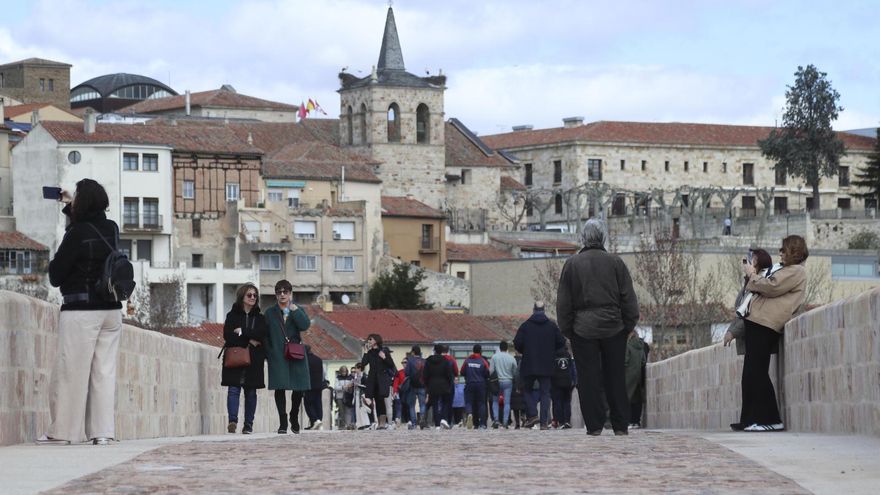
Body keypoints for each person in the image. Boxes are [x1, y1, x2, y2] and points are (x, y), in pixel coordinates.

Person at [39, 179, 123, 446]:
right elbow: (90, 229)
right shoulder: (112, 229)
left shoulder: (76, 233)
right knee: (104, 373)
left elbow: (56, 275)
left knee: (71, 373)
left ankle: (63, 433)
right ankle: (102, 433)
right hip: (111, 311)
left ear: (81, 203)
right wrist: (70, 206)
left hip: (81, 310)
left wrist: (70, 212)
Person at [557, 218, 639, 436]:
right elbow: (628, 298)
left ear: (583, 238)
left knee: (588, 378)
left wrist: (568, 330)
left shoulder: (572, 265)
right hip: (613, 327)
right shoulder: (616, 263)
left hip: (582, 329)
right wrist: (627, 325)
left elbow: (564, 302)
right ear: (603, 237)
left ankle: (594, 426)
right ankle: (620, 425)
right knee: (616, 377)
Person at [736, 235, 808, 432]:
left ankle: (770, 419)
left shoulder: (796, 271)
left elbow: (771, 287)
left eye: (784, 250)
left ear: (794, 251)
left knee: (758, 373)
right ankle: (750, 419)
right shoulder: (784, 269)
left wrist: (752, 274)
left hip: (766, 324)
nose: (780, 253)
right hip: (757, 321)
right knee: (750, 374)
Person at [264, 279, 311, 434]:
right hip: (278, 354)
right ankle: (283, 421)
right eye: (279, 292)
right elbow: (265, 334)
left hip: (296, 353)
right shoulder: (270, 312)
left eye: (285, 292)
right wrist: (269, 351)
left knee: (299, 387)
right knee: (280, 387)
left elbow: (305, 325)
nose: (282, 295)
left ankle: (294, 415)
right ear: (276, 295)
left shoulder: (297, 309)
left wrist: (295, 310)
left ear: (290, 294)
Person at [221, 283, 267, 435]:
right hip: (235, 357)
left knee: (251, 392)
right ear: (242, 297)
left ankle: (248, 425)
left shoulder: (260, 318)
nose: (253, 298)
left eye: (255, 295)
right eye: (249, 295)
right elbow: (228, 335)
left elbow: (262, 335)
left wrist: (242, 332)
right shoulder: (232, 316)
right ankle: (232, 421)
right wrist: (249, 339)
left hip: (254, 360)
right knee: (233, 389)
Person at [514, 301, 566, 430]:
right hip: (547, 364)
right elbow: (561, 342)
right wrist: (552, 350)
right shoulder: (552, 326)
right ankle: (544, 423)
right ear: (544, 310)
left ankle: (532, 414)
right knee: (545, 393)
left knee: (526, 390)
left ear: (533, 310)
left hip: (529, 363)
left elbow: (517, 343)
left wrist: (524, 351)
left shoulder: (525, 326)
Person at [724, 249, 774, 356]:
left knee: (756, 372)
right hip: (749, 343)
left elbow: (753, 315)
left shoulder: (761, 285)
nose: (746, 264)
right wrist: (730, 330)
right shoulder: (748, 286)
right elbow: (740, 313)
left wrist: (733, 332)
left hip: (758, 342)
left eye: (752, 260)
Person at [359, 334, 397, 429]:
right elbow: (363, 364)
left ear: (376, 340)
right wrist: (366, 352)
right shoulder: (370, 352)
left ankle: (382, 423)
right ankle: (377, 422)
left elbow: (391, 364)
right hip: (372, 379)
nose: (369, 341)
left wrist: (384, 357)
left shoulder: (383, 351)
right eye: (368, 340)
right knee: (373, 400)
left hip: (381, 379)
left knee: (381, 400)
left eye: (370, 339)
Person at [423, 344, 454, 429]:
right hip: (444, 384)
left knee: (435, 404)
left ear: (434, 351)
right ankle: (443, 418)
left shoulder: (428, 361)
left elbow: (425, 375)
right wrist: (449, 384)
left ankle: (437, 425)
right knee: (445, 402)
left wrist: (427, 385)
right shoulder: (445, 361)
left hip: (432, 385)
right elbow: (449, 374)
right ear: (441, 351)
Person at [489, 340, 518, 429]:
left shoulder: (494, 357)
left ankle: (496, 420)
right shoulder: (511, 358)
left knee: (495, 401)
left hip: (497, 381)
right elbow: (515, 370)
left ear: (499, 348)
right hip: (508, 381)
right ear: (507, 348)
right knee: (507, 402)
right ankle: (505, 421)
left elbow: (491, 370)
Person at [462, 344, 490, 429]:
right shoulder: (483, 361)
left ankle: (470, 414)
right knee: (481, 403)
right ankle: (482, 424)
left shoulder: (467, 360)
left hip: (469, 383)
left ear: (473, 350)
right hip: (481, 384)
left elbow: (462, 372)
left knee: (469, 402)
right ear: (481, 351)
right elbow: (487, 373)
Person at [551, 342, 577, 429]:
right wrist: (574, 380)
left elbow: (552, 369)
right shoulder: (568, 355)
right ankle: (567, 421)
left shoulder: (553, 355)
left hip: (556, 381)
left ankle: (560, 421)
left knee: (558, 401)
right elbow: (572, 368)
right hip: (567, 381)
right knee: (567, 401)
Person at [624, 330, 647, 429]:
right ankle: (636, 421)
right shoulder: (641, 346)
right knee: (637, 399)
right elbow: (643, 361)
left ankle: (628, 421)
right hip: (638, 375)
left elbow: (625, 360)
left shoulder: (627, 345)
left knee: (626, 398)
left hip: (628, 375)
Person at [404, 345, 427, 430]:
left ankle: (413, 423)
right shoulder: (425, 361)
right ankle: (421, 419)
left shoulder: (410, 361)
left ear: (413, 352)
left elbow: (406, 373)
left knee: (411, 405)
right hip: (422, 385)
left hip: (412, 385)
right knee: (422, 405)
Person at [303, 346, 326, 430]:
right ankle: (318, 421)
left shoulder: (304, 360)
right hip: (319, 385)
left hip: (309, 385)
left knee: (308, 403)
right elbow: (323, 373)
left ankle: (315, 420)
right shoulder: (318, 359)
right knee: (318, 403)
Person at [440, 344, 459, 425]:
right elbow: (456, 371)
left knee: (441, 402)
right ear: (448, 351)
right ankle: (449, 421)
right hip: (449, 384)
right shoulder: (452, 359)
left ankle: (441, 419)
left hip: (439, 384)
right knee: (449, 402)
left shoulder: (438, 359)